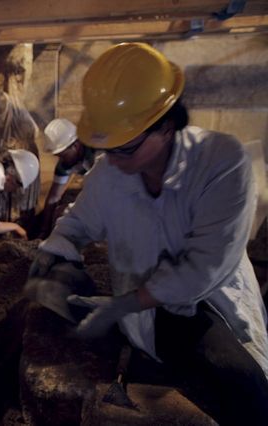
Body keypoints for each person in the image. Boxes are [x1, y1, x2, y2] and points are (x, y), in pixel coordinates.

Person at [28, 42, 268, 424]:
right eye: (109, 149)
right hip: (141, 302)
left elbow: (204, 269)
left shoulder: (222, 163)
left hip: (207, 301)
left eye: (127, 148)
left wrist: (122, 305)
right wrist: (56, 253)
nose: (115, 160)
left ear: (166, 125)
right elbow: (78, 221)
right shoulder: (111, 171)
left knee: (245, 387)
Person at [39, 118, 95, 238]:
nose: (61, 160)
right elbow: (54, 197)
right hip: (97, 193)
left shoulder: (97, 153)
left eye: (63, 155)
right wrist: (45, 230)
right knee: (61, 213)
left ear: (76, 145)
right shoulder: (65, 164)